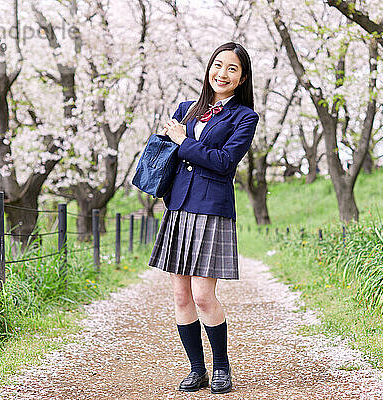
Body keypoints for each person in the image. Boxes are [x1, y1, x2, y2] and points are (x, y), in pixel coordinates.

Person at [148, 42, 258, 394]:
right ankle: (197, 369)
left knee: (202, 295)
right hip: (179, 206)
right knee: (181, 296)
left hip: (211, 208)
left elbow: (225, 162)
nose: (222, 74)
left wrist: (183, 140)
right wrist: (175, 141)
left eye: (232, 69)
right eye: (218, 65)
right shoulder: (186, 108)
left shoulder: (244, 117)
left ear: (241, 79)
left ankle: (222, 366)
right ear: (209, 67)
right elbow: (168, 154)